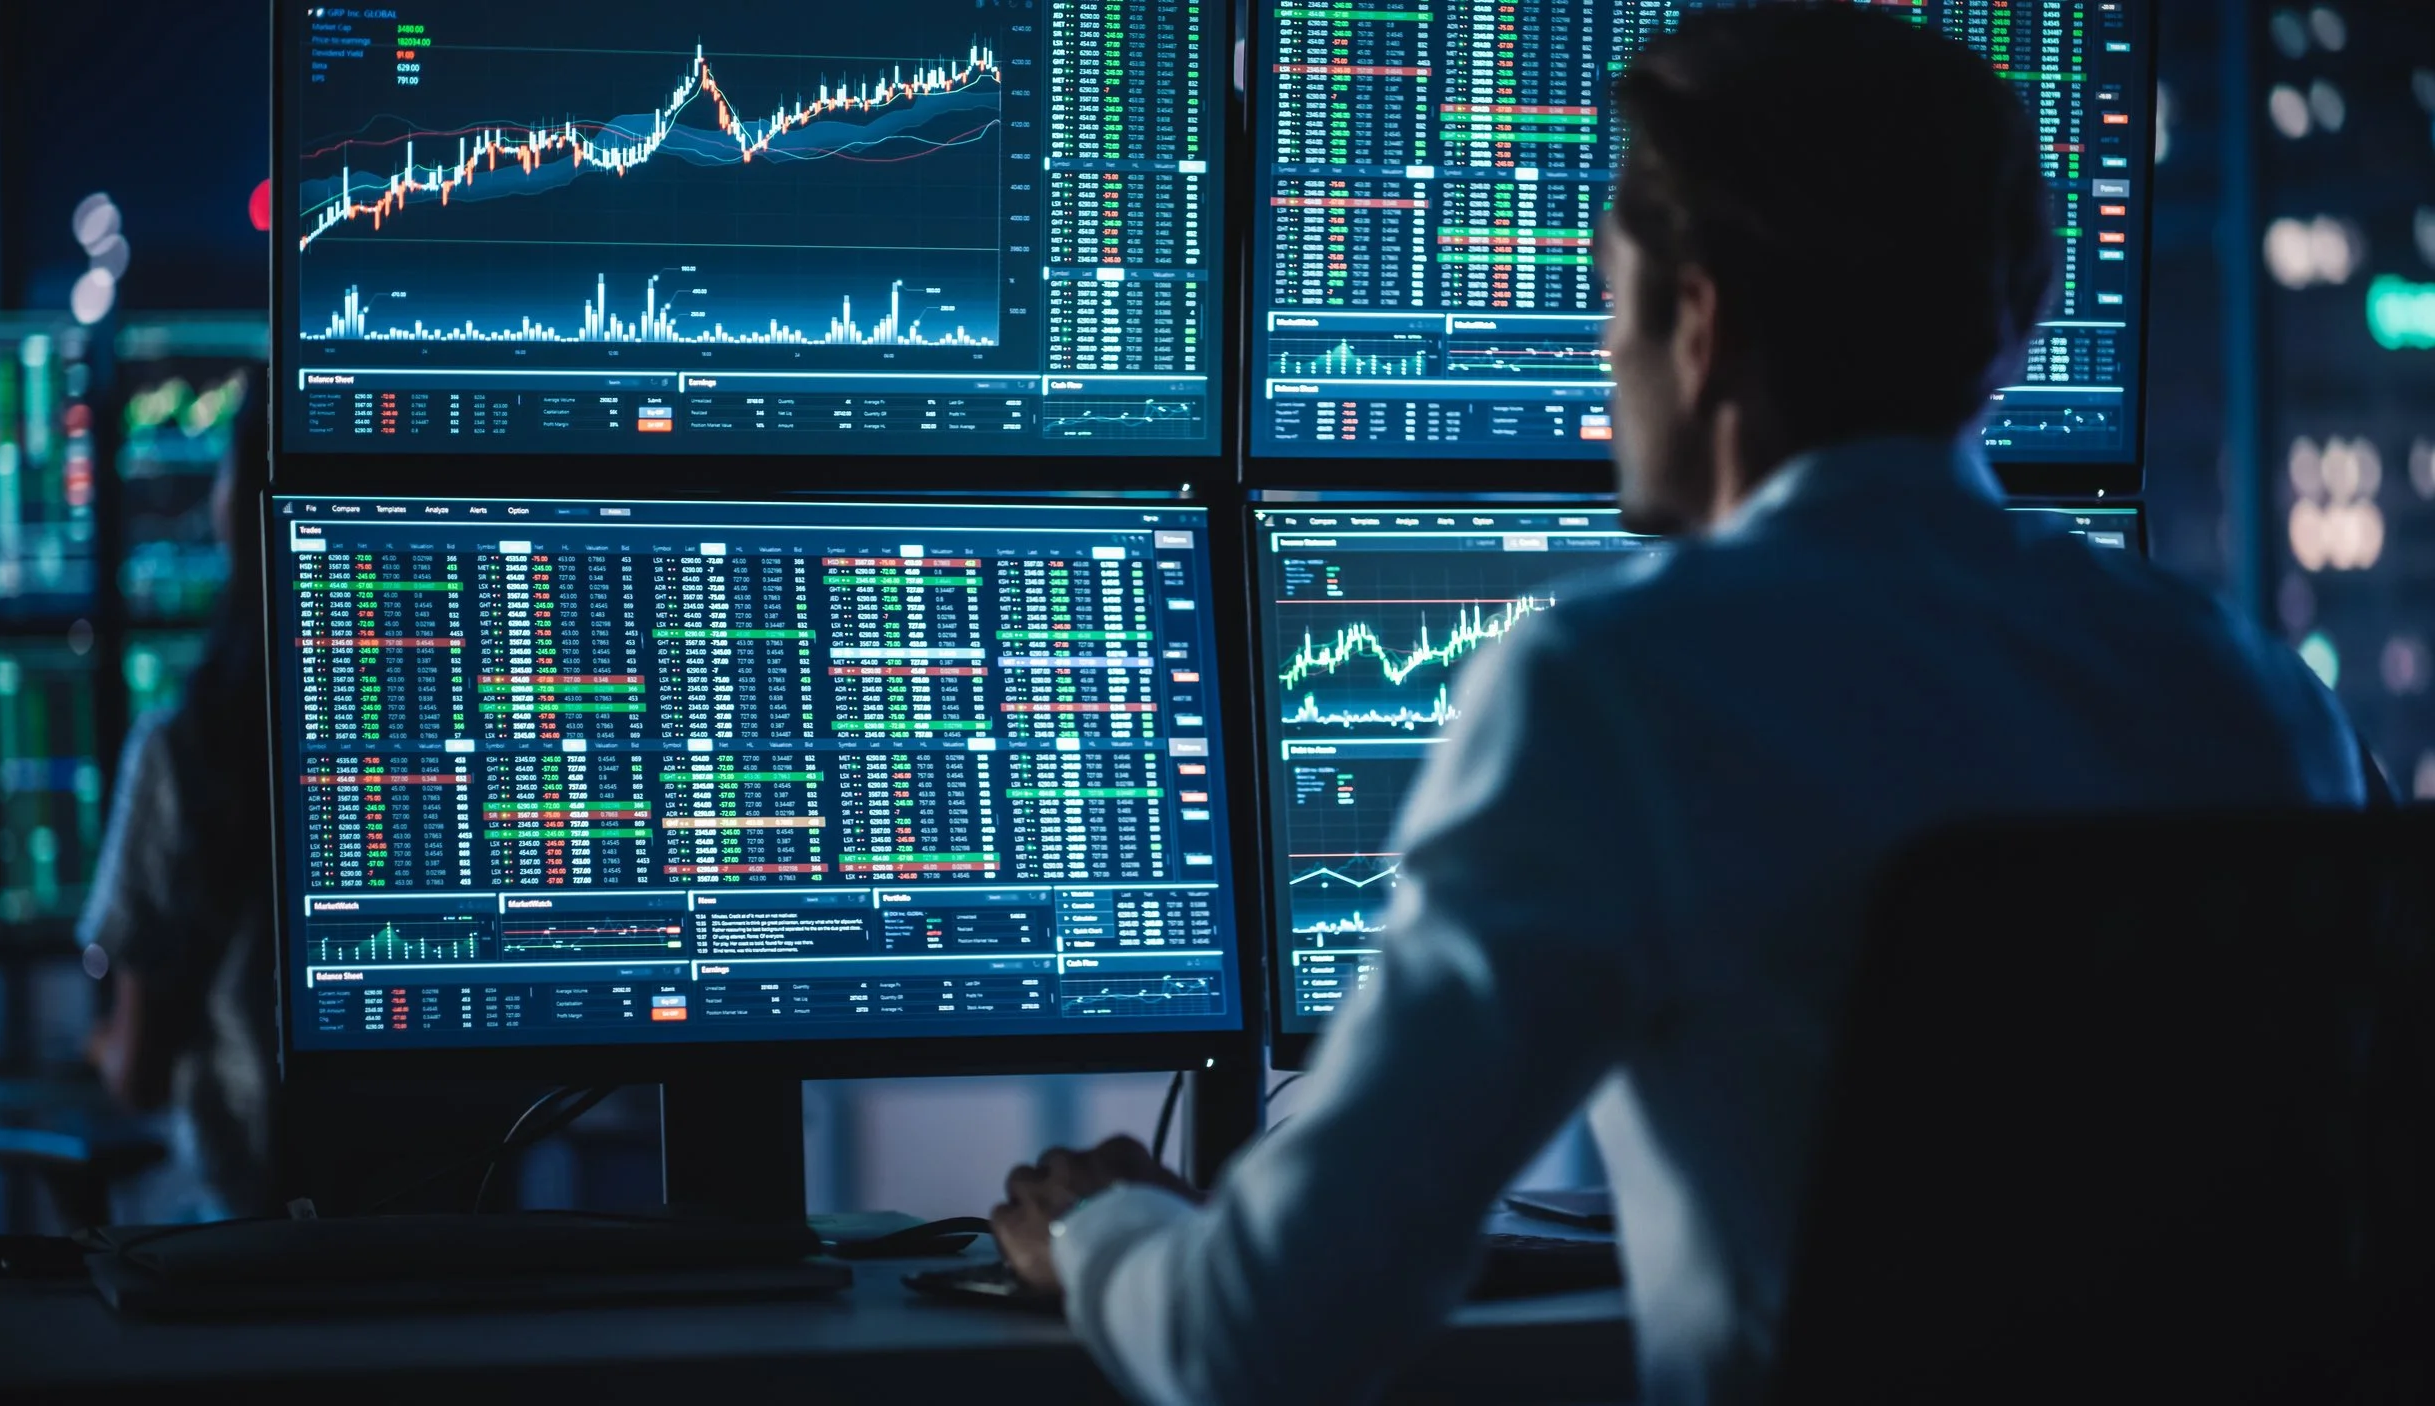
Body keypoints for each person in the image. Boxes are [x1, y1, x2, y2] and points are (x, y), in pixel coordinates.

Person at [988, 8, 2378, 1404]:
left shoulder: (1617, 690)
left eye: (1609, 301)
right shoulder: (2255, 697)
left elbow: (1260, 1339)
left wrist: (1101, 1228)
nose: (1604, 360)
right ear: (2013, 322)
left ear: (1698, 324)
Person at [82, 374, 279, 1217]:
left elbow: (138, 1072)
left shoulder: (184, 749)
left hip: (249, 1250)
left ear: (237, 503)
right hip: (460, 1250)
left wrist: (93, 1046)